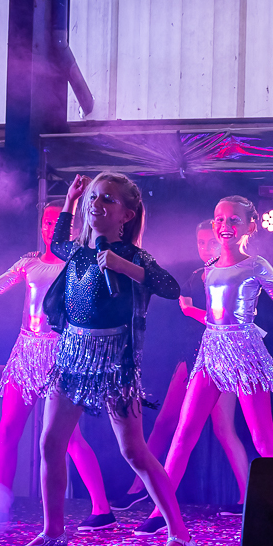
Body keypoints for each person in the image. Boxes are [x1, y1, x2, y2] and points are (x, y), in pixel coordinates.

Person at [7, 172, 195, 546]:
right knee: (50, 443)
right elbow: (58, 243)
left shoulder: (134, 256)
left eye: (107, 199)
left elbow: (170, 287)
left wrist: (126, 267)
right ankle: (52, 534)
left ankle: (180, 536)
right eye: (94, 198)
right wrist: (70, 202)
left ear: (127, 214)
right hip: (72, 356)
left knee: (134, 451)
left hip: (114, 361)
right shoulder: (78, 252)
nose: (97, 205)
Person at [135, 196, 273, 534]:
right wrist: (191, 312)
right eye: (220, 219)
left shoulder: (257, 265)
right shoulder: (210, 268)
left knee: (263, 440)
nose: (225, 226)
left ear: (250, 226)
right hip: (211, 352)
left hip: (245, 353)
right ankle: (159, 512)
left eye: (233, 220)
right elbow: (216, 317)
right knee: (184, 433)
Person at [0, 204, 114, 528]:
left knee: (69, 438)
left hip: (60, 355)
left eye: (58, 222)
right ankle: (0, 505)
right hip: (25, 353)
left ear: (72, 228)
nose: (51, 227)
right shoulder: (28, 263)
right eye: (46, 222)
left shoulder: (78, 264)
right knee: (8, 429)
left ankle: (102, 509)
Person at [112, 220, 252, 518]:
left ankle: (247, 497)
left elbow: (230, 320)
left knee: (224, 429)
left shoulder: (232, 275)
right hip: (191, 355)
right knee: (165, 422)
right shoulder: (196, 275)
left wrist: (191, 311)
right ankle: (139, 489)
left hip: (222, 357)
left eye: (210, 242)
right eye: (200, 242)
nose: (205, 248)